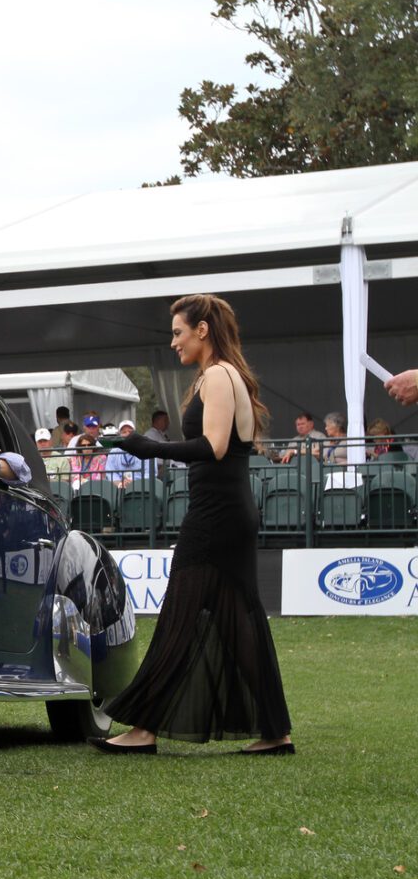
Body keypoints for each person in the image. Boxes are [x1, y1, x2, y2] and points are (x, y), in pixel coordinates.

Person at [96, 293, 293, 755]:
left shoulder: (221, 375)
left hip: (216, 516)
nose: (173, 342)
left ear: (202, 330)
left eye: (178, 332)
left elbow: (216, 446)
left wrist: (150, 447)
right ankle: (275, 730)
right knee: (238, 622)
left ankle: (144, 728)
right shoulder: (219, 376)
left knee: (182, 613)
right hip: (225, 511)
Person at [103, 419, 145, 485]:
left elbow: (149, 473)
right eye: (124, 432)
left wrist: (135, 483)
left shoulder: (144, 449)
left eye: (130, 432)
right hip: (119, 487)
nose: (127, 434)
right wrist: (119, 483)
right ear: (119, 435)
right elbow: (110, 472)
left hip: (141, 487)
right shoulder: (114, 451)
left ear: (135, 434)